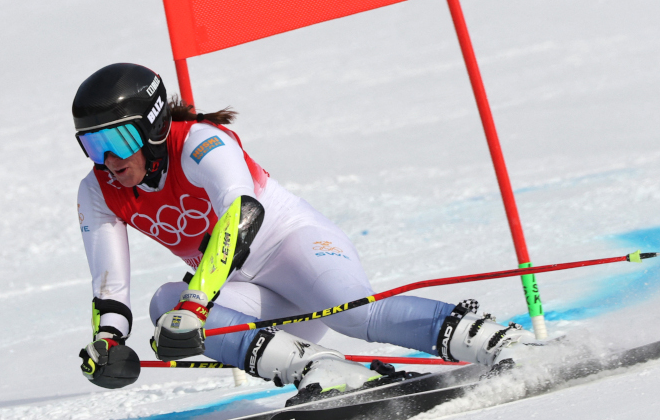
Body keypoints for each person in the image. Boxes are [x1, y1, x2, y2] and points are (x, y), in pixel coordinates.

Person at [74, 63, 532, 401]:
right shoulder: (97, 190)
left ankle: (497, 341)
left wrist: (196, 302)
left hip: (294, 248)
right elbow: (110, 287)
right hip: (242, 289)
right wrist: (109, 342)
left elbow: (242, 213)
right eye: (93, 145)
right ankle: (324, 370)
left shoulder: (198, 142)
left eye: (118, 140)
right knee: (163, 304)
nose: (109, 160)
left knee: (353, 315)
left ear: (153, 127)